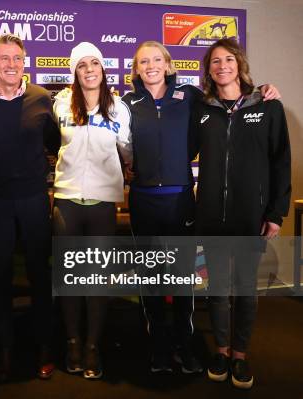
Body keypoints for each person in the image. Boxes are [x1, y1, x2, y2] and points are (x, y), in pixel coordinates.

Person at [122, 41, 281, 375]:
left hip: (181, 202)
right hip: (143, 201)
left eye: (156, 60)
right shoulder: (126, 103)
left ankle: (186, 345)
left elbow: (230, 106)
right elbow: (112, 141)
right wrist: (124, 167)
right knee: (151, 281)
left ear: (167, 64)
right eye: (142, 62)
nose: (150, 66)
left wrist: (264, 89)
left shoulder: (193, 98)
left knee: (183, 282)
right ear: (135, 69)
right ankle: (160, 348)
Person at [189, 38, 291, 389]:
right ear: (208, 70)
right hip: (211, 217)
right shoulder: (202, 110)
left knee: (246, 291)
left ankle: (240, 357)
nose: (222, 66)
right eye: (215, 61)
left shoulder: (268, 106)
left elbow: (281, 163)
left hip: (251, 217)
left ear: (239, 63)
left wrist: (276, 213)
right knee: (217, 290)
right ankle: (221, 350)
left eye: (228, 59)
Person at [0, 33, 60, 381]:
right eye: (4, 58)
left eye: (17, 58)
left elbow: (53, 144)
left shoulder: (42, 100)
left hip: (34, 200)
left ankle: (44, 346)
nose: (11, 65)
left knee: (39, 274)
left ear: (24, 62)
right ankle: (4, 350)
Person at [52, 42, 132, 379]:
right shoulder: (59, 104)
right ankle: (72, 341)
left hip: (102, 202)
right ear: (74, 71)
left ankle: (93, 347)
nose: (89, 70)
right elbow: (49, 142)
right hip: (67, 201)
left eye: (94, 64)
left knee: (97, 279)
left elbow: (127, 151)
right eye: (82, 65)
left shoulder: (119, 109)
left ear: (102, 69)